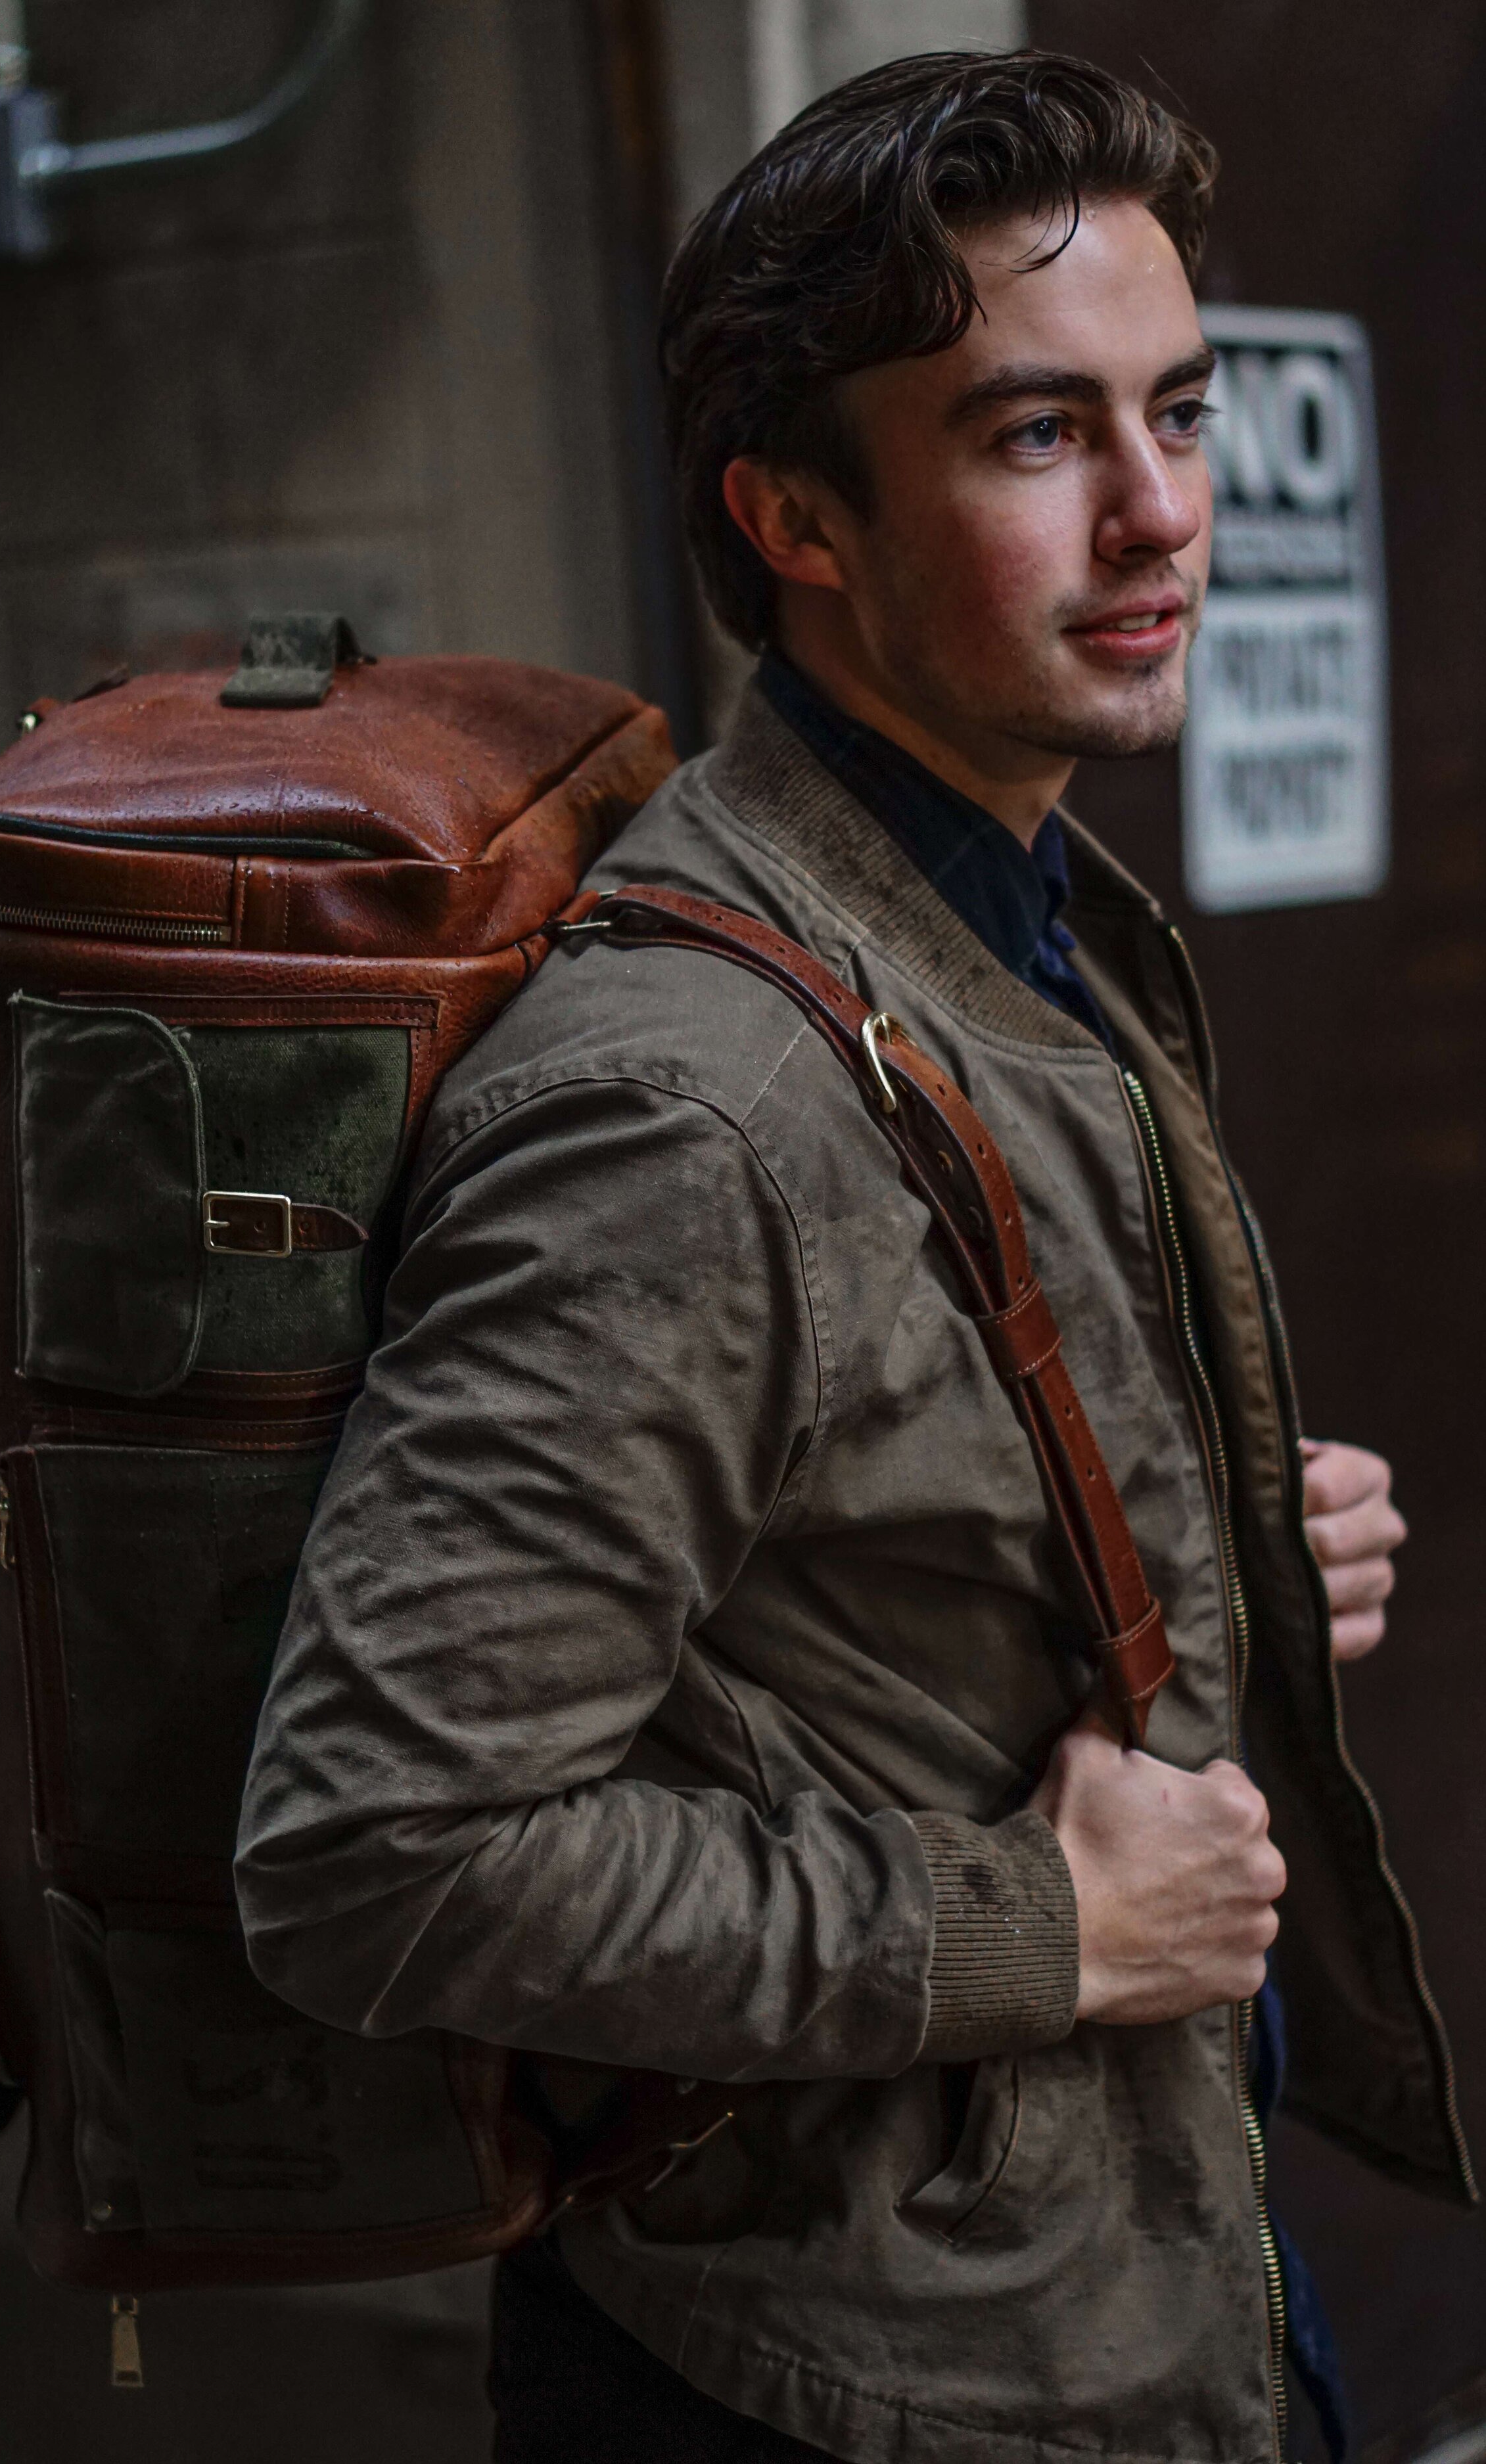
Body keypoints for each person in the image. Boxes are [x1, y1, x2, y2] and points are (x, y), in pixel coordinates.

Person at [235, 49, 1467, 2464]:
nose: (1161, 519)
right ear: (789, 514)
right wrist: (1047, 1926)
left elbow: (841, 1537)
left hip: (1119, 2296)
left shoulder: (1002, 913)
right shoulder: (685, 1102)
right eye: (1033, 440)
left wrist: (1188, 1541)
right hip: (852, 2389)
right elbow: (374, 1851)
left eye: (1181, 414)